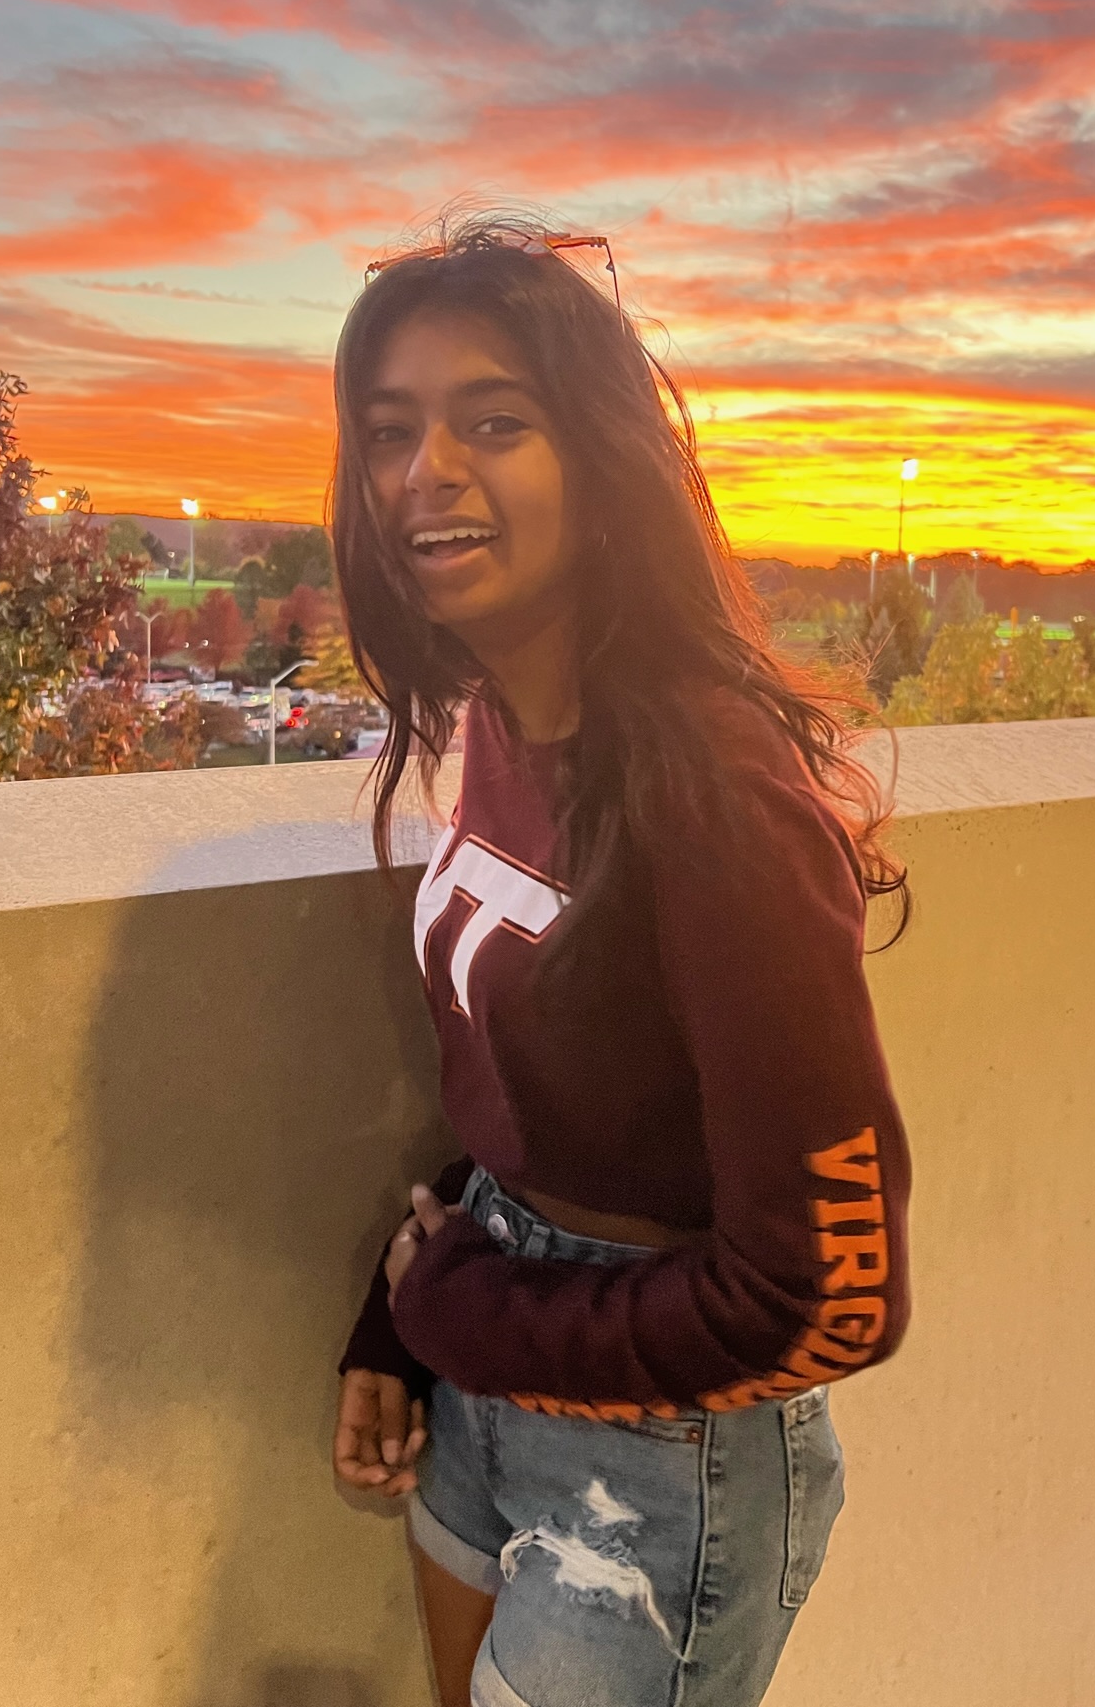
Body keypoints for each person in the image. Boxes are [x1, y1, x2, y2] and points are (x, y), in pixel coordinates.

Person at [328, 219, 913, 1707]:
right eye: (390, 432)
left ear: (599, 466)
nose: (425, 472)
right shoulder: (500, 723)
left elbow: (832, 1297)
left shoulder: (715, 798)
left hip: (670, 1460)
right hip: (492, 1354)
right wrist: (400, 1321)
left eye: (494, 423)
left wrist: (456, 1311)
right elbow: (522, 1080)